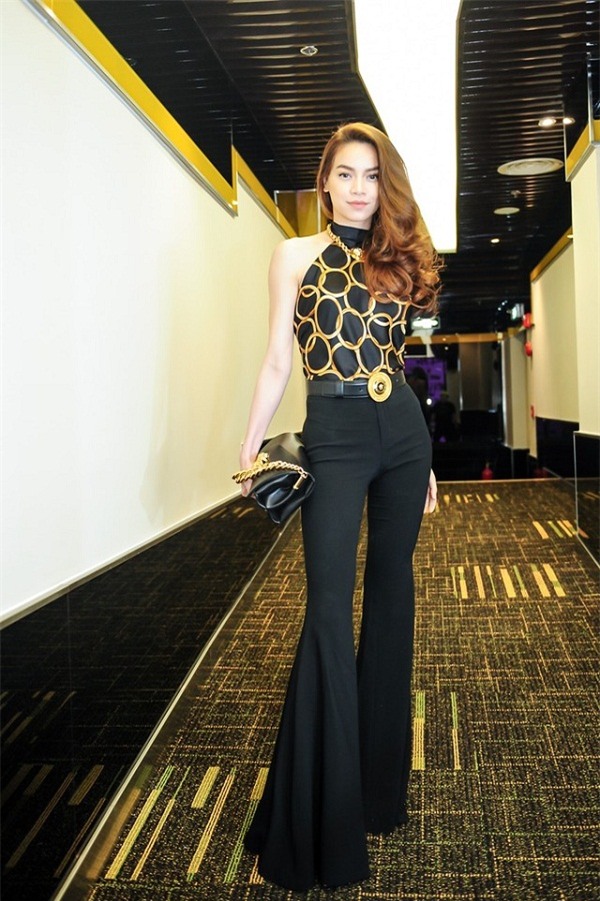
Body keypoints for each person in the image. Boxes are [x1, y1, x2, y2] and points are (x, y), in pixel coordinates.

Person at [238, 121, 441, 892]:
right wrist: (250, 447)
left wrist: (425, 460)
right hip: (334, 428)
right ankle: (320, 816)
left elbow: (399, 359)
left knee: (392, 598)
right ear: (324, 181)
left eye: (372, 175)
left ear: (384, 184)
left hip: (402, 432)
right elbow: (276, 359)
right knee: (327, 607)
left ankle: (378, 797)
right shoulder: (295, 255)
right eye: (346, 173)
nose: (359, 188)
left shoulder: (393, 257)